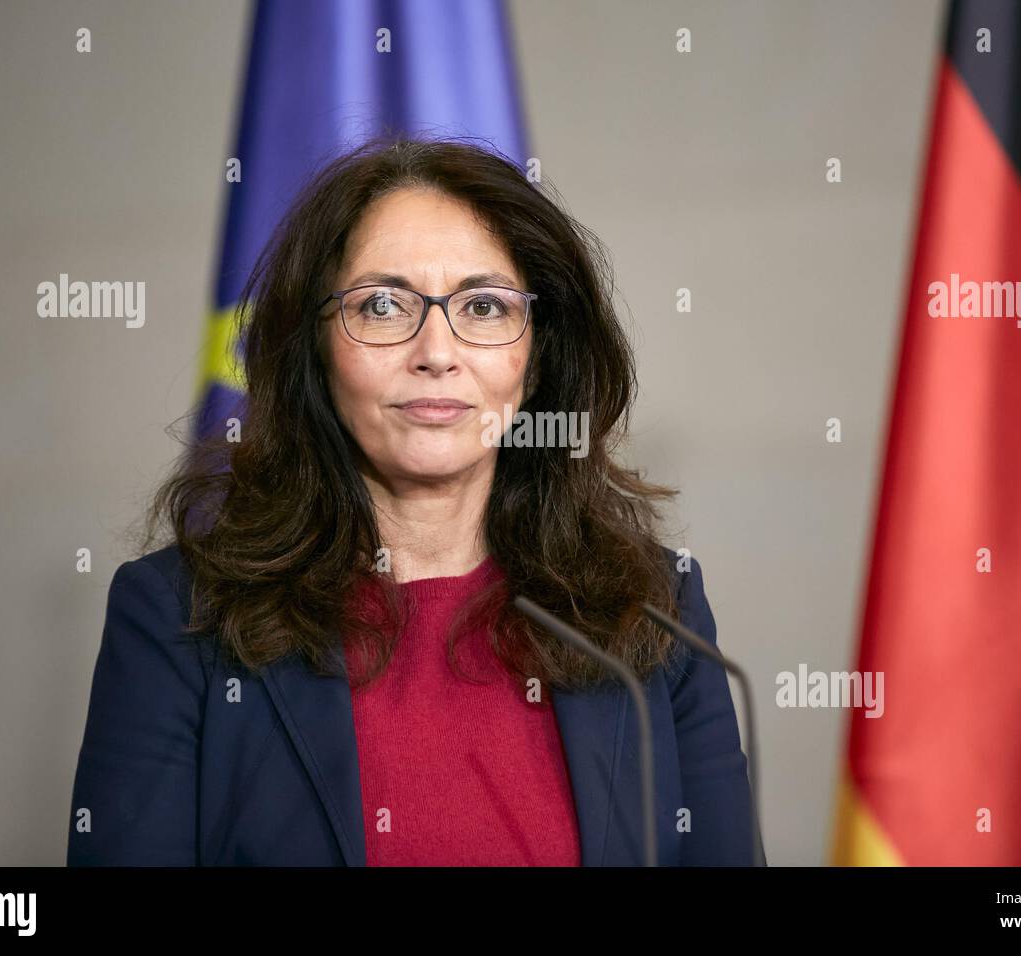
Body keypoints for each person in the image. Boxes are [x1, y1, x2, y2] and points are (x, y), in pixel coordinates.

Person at [67, 135, 766, 866]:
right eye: (381, 305)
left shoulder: (656, 611)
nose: (436, 351)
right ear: (316, 349)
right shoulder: (179, 619)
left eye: (485, 307)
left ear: (535, 363)